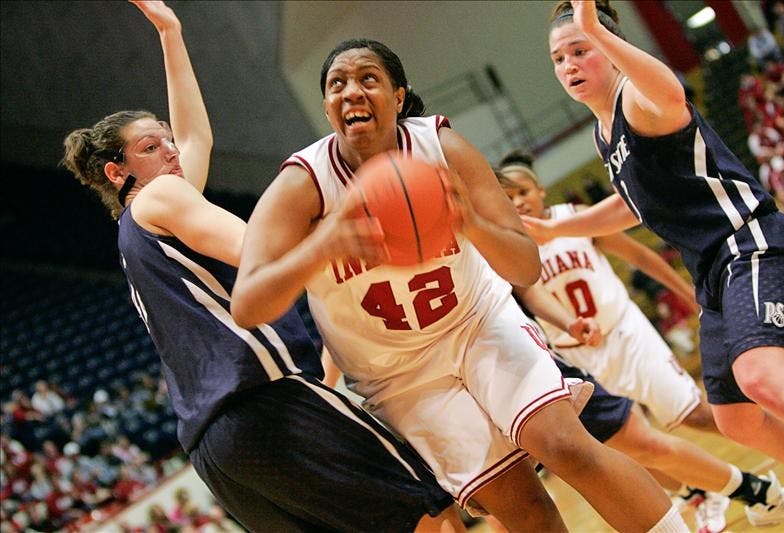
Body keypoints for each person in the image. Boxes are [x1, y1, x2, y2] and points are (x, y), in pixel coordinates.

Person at [232, 37, 687, 532]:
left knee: (566, 446)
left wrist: (470, 223)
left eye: (368, 79)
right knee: (523, 508)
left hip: (477, 323)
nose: (352, 92)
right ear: (326, 106)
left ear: (398, 96)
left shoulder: (441, 146)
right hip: (398, 374)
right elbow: (248, 305)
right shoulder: (303, 184)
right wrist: (321, 245)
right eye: (337, 84)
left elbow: (525, 267)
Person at [60, 3, 464, 531]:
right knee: (427, 513)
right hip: (264, 401)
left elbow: (197, 139)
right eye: (151, 146)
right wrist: (341, 231)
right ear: (118, 173)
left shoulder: (136, 231)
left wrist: (170, 31)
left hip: (219, 452)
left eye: (166, 137)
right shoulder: (160, 196)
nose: (172, 150)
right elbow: (256, 250)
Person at [526, 0, 784, 467]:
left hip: (748, 242)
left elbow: (672, 94)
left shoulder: (635, 98)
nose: (568, 65)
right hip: (713, 273)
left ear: (612, 50)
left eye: (580, 50)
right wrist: (556, 228)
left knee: (759, 376)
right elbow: (630, 204)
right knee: (735, 417)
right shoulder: (603, 133)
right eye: (559, 58)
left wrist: (595, 28)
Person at [499, 166, 784, 529]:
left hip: (624, 331)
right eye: (509, 197)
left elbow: (640, 257)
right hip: (576, 352)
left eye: (523, 192)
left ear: (541, 190)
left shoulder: (573, 218)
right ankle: (702, 493)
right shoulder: (512, 249)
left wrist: (686, 292)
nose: (519, 202)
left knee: (698, 414)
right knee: (625, 446)